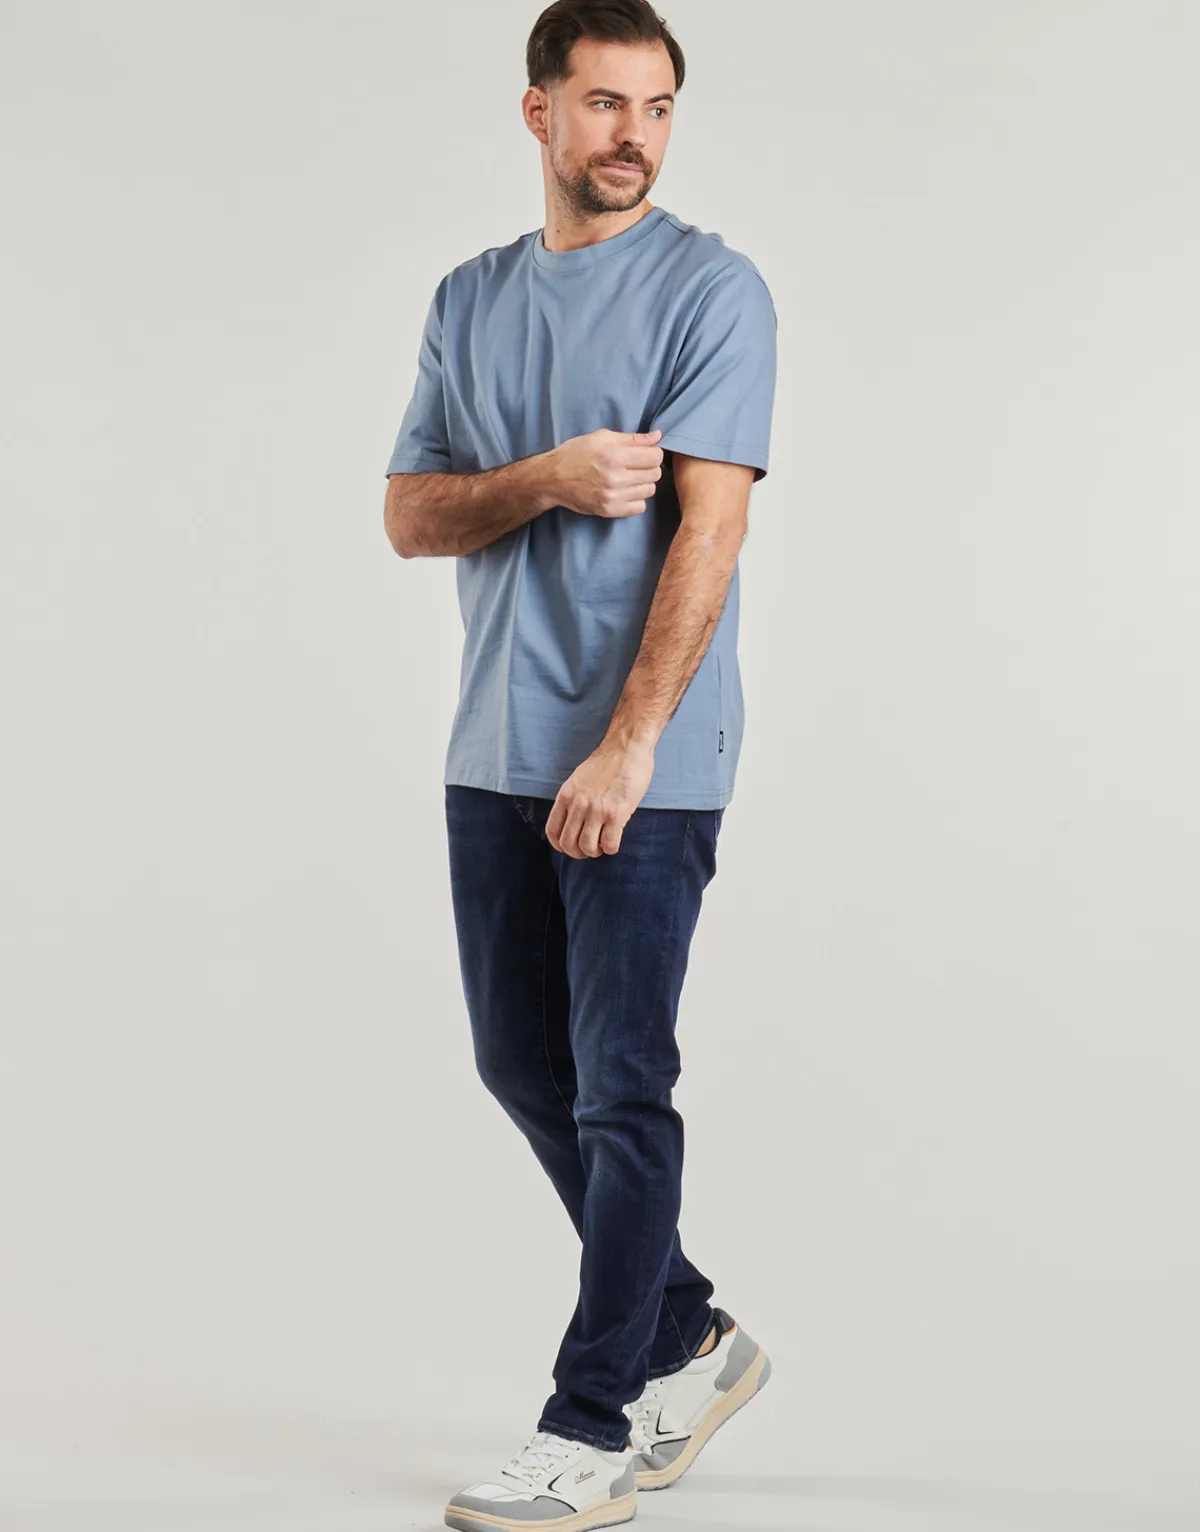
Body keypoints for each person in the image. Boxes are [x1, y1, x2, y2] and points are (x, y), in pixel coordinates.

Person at [382, 3, 777, 1528]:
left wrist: (630, 744)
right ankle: (692, 1336)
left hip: (641, 766)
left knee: (621, 1086)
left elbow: (711, 535)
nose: (635, 136)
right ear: (539, 111)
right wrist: (547, 477)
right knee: (518, 1064)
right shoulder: (468, 298)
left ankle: (593, 1419)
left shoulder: (713, 290)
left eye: (658, 108)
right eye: (606, 104)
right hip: (494, 745)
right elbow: (411, 516)